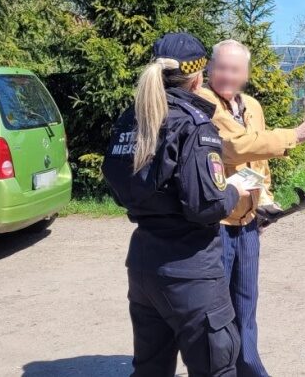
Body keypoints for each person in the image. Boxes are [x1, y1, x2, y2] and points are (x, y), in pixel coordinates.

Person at [102, 32, 247, 377]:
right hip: (191, 272)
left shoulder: (133, 118)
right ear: (198, 76)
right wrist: (233, 189)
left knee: (150, 369)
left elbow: (118, 184)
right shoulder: (196, 125)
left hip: (143, 267)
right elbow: (205, 206)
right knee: (217, 368)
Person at [197, 39, 305, 377]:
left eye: (235, 70)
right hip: (217, 223)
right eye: (221, 68)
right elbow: (237, 147)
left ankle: (248, 369)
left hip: (249, 224)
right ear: (210, 69)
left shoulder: (252, 105)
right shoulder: (204, 102)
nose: (226, 76)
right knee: (216, 310)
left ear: (246, 74)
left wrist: (265, 199)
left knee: (246, 306)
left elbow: (259, 161)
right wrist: (294, 135)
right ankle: (220, 370)